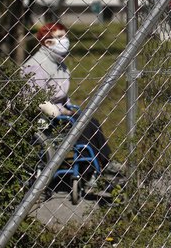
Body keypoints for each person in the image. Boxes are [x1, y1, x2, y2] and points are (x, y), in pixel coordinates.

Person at [22, 22, 122, 180]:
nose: (65, 40)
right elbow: (34, 98)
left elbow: (59, 93)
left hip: (59, 114)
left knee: (90, 121)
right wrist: (60, 111)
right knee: (86, 125)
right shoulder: (37, 65)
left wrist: (67, 106)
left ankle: (102, 163)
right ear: (48, 43)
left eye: (65, 36)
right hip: (45, 118)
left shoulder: (58, 63)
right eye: (60, 37)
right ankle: (94, 168)